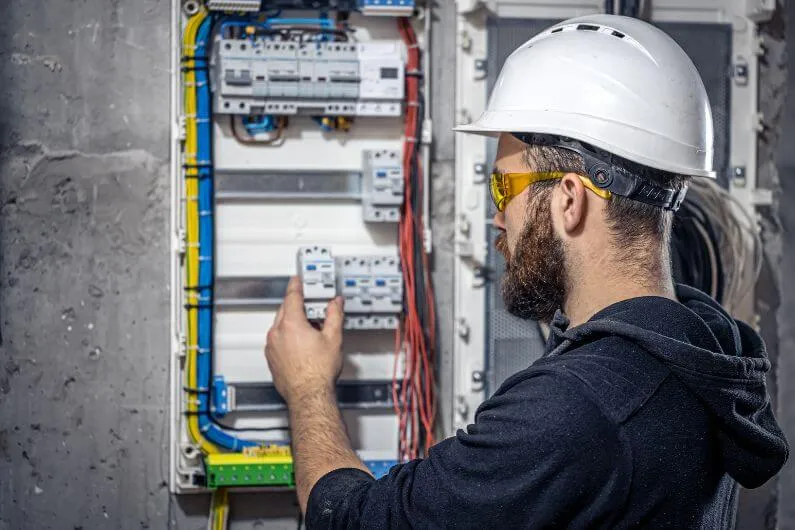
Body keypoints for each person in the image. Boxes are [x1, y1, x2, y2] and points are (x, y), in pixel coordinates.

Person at [265, 14, 789, 529]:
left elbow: (353, 522)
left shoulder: (577, 410)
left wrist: (308, 387)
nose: (496, 215)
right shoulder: (700, 352)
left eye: (502, 188)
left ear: (568, 201)